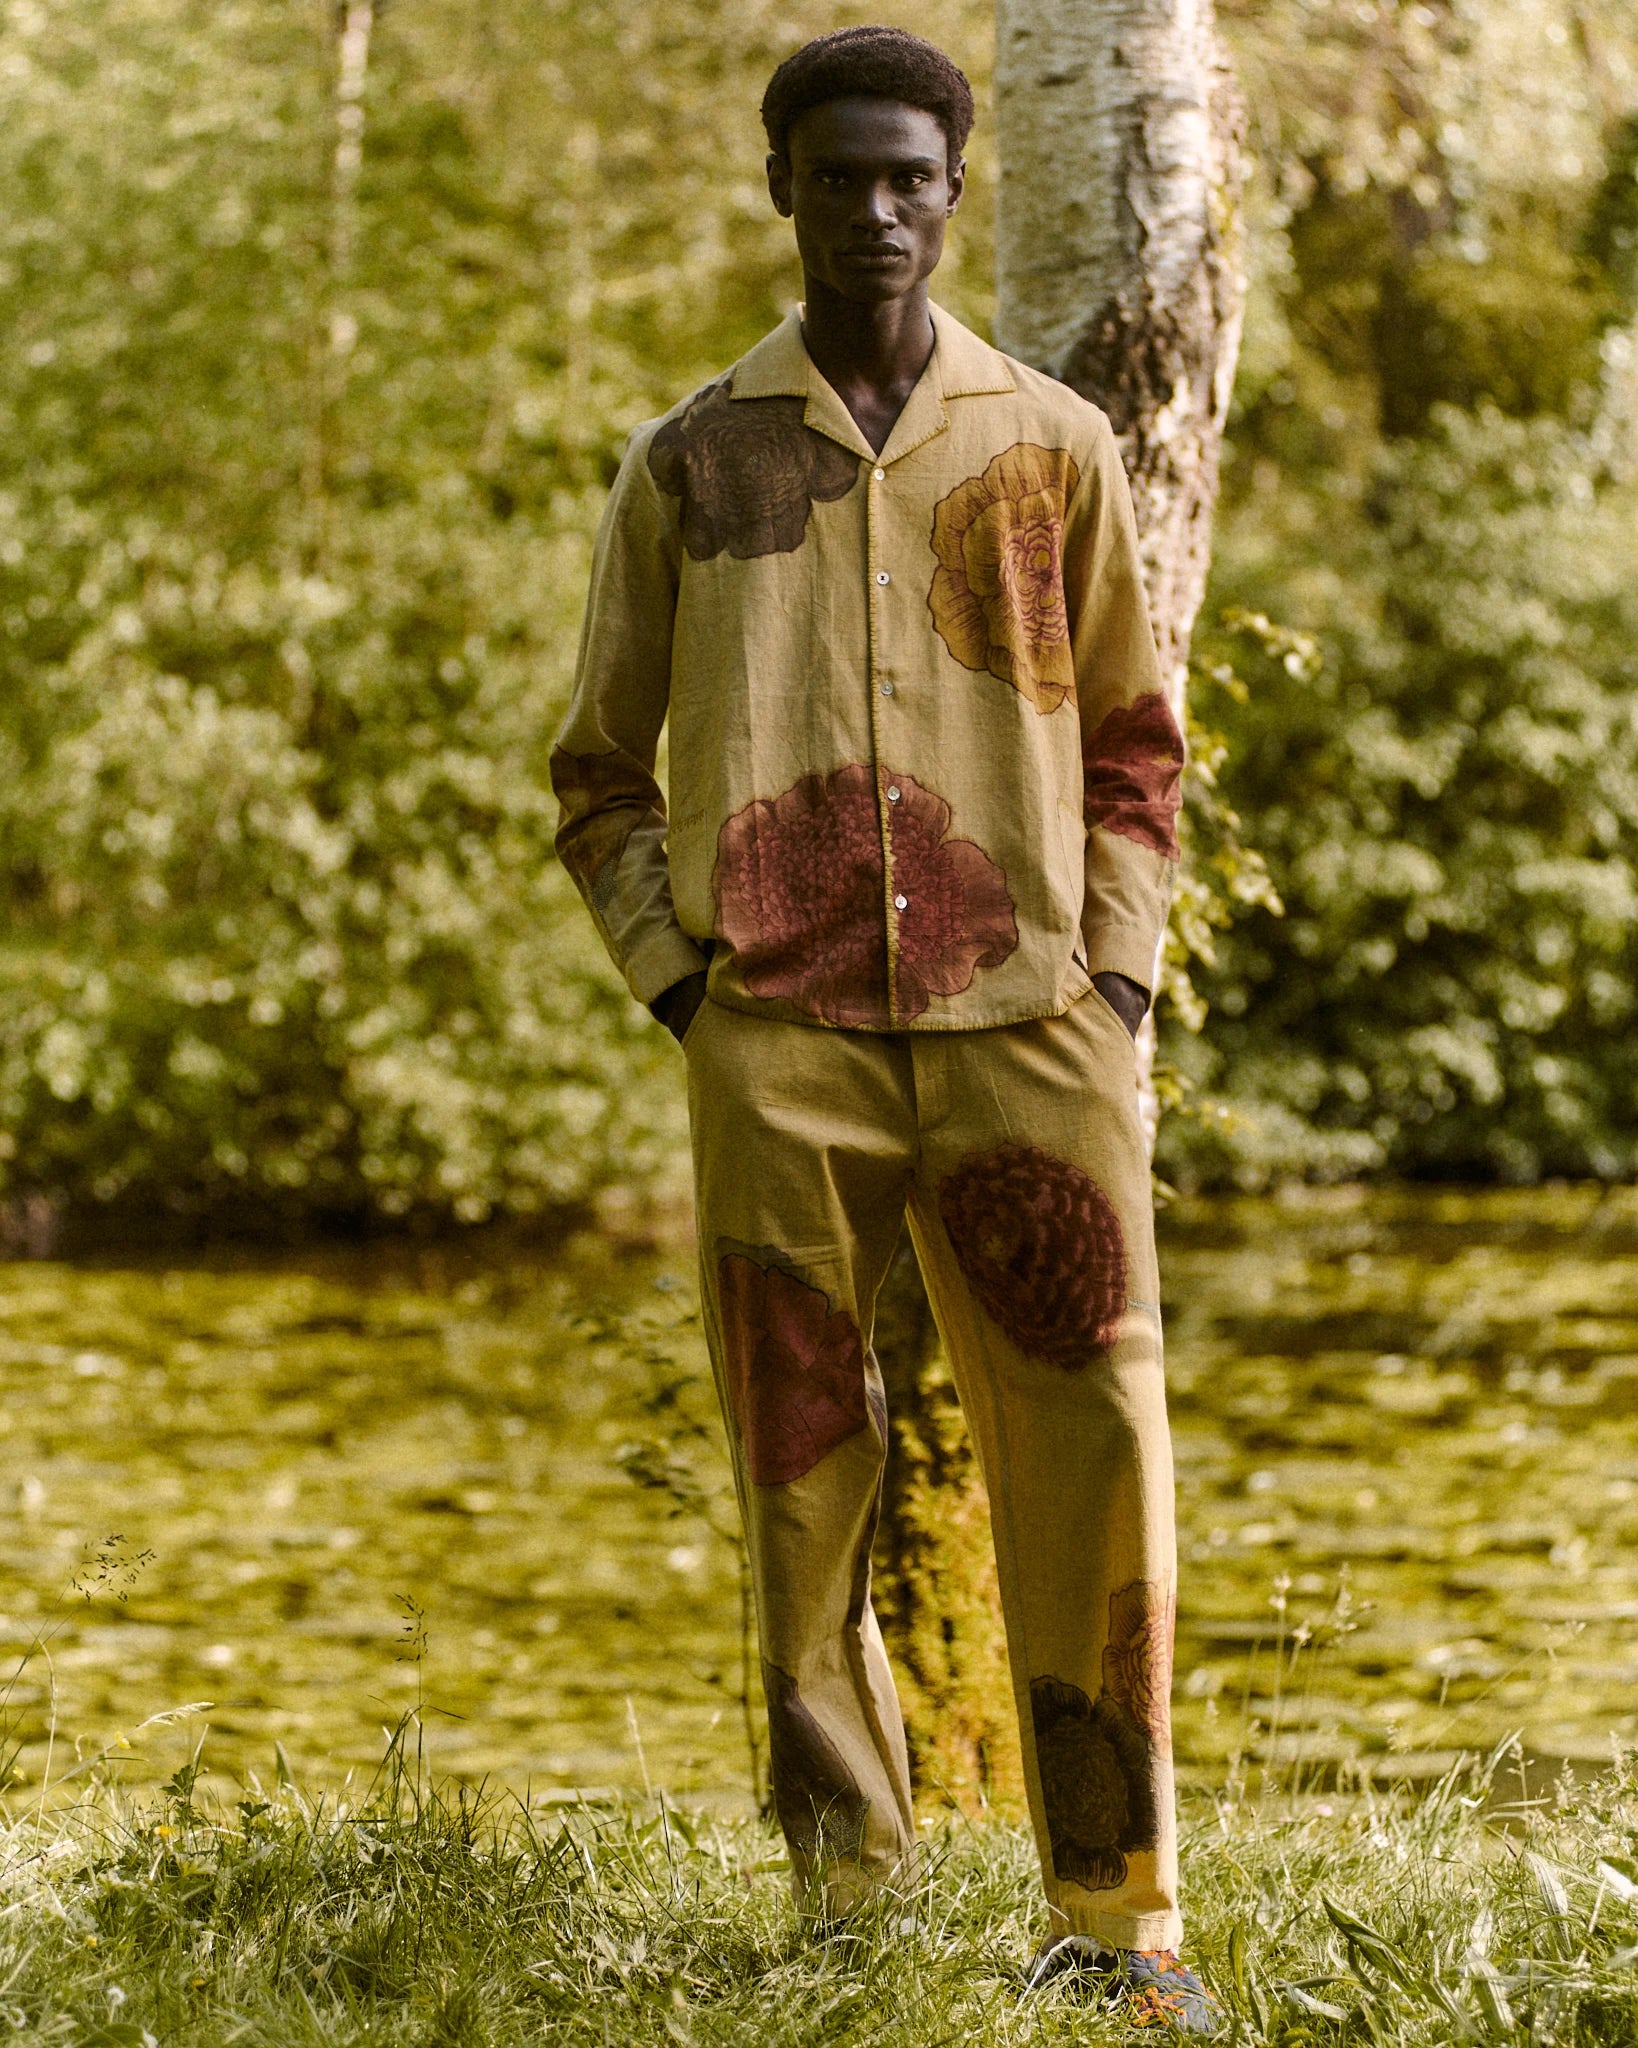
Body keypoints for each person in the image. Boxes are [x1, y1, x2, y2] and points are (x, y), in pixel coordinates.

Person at [552, 24, 1218, 2033]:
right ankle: (849, 1915)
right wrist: (688, 986)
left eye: (908, 177)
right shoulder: (689, 461)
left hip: (1034, 1026)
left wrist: (1114, 978)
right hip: (783, 1040)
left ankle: (1119, 1924)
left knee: (1097, 1452)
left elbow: (1136, 750)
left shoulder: (1054, 448)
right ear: (782, 189)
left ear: (953, 190)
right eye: (836, 176)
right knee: (800, 1474)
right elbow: (598, 774)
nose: (874, 211)